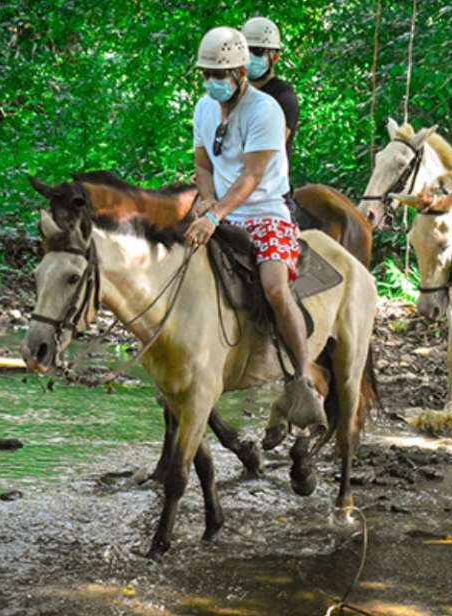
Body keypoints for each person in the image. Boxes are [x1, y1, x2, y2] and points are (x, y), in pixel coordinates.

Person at [184, 26, 326, 441]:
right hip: (224, 211)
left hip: (266, 211)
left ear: (241, 71)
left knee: (276, 287)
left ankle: (300, 381)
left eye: (221, 74)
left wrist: (216, 215)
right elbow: (204, 165)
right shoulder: (203, 108)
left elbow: (252, 175)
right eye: (208, 74)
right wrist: (206, 201)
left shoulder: (266, 110)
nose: (213, 82)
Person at [241, 17, 299, 165]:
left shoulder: (283, 96)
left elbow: (267, 150)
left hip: (268, 185)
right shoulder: (235, 94)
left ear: (275, 57)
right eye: (247, 51)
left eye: (258, 51)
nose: (251, 57)